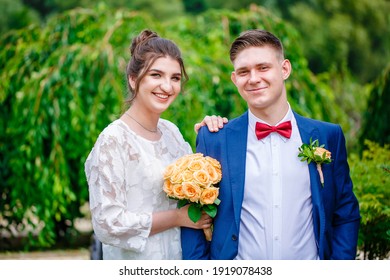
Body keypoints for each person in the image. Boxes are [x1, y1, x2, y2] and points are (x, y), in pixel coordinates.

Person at [181, 29, 361, 260]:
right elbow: (194, 216)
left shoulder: (328, 135)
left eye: (263, 68)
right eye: (244, 72)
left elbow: (345, 212)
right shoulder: (214, 138)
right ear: (235, 79)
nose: (254, 78)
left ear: (284, 69)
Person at [84, 29, 227, 260]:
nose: (167, 87)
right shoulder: (113, 140)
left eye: (175, 78)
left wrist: (212, 136)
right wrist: (176, 218)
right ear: (133, 79)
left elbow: (199, 192)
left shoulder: (172, 133)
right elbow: (107, 224)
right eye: (156, 75)